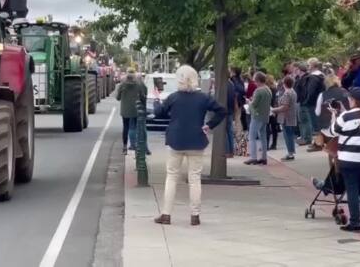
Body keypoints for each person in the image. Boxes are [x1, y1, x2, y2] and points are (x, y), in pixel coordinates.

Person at [153, 65, 226, 226]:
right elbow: (222, 111)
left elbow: (159, 113)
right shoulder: (203, 98)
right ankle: (195, 215)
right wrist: (209, 125)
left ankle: (166, 214)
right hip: (196, 140)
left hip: (175, 141)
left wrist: (157, 99)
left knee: (172, 177)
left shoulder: (174, 97)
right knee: (195, 179)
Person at [330, 87, 360, 232]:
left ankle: (355, 222)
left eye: (350, 99)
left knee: (352, 190)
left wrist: (334, 115)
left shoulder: (346, 116)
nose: (348, 100)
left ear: (353, 100)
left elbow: (333, 130)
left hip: (350, 160)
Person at [313, 75, 349, 152]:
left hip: (327, 128)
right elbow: (349, 109)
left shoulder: (322, 94)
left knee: (321, 132)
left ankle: (319, 145)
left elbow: (317, 112)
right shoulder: (344, 91)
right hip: (344, 125)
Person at [116, 69, 147, 155]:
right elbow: (142, 96)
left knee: (125, 127)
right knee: (137, 128)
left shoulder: (122, 85)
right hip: (136, 109)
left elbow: (117, 97)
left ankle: (125, 147)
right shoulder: (138, 84)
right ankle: (137, 146)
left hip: (125, 110)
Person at [244, 72, 272, 165]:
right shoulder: (268, 90)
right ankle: (264, 157)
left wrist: (249, 102)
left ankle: (253, 157)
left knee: (251, 137)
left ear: (258, 80)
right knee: (263, 137)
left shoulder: (258, 91)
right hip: (265, 115)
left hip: (257, 116)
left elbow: (254, 104)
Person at [272, 76, 298, 161]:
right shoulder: (293, 92)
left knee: (288, 135)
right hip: (290, 116)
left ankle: (290, 153)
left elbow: (285, 107)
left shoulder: (287, 93)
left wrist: (273, 110)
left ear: (284, 84)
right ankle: (291, 152)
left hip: (286, 117)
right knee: (289, 134)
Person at [304, 58, 325, 151]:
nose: (307, 67)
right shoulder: (321, 75)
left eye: (308, 65)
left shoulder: (313, 77)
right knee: (318, 124)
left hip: (313, 103)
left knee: (315, 125)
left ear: (313, 66)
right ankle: (318, 142)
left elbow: (311, 91)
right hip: (320, 101)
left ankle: (318, 144)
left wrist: (306, 101)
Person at [266, 75, 279, 150]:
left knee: (267, 127)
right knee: (274, 128)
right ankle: (274, 144)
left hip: (268, 109)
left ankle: (266, 144)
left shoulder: (267, 89)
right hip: (274, 109)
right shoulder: (275, 89)